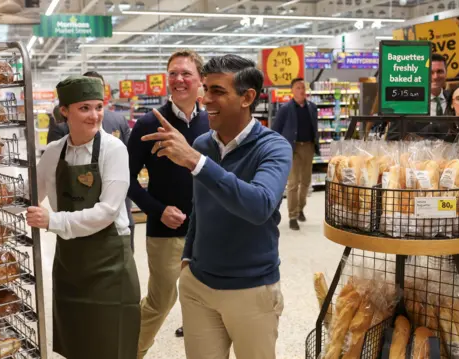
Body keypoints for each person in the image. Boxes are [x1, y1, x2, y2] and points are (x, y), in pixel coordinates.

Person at [142, 54, 292, 359]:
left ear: (247, 97)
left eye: (218, 92)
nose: (206, 99)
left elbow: (259, 205)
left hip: (251, 289)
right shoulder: (203, 145)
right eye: (206, 89)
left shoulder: (273, 147)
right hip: (199, 286)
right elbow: (200, 208)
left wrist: (198, 164)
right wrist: (187, 261)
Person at [27, 76, 140, 359]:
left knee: (111, 341)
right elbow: (31, 194)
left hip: (109, 264)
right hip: (71, 263)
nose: (95, 115)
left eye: (98, 107)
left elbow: (107, 211)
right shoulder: (54, 153)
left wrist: (53, 221)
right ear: (64, 111)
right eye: (85, 108)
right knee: (77, 341)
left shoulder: (115, 150)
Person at [128, 50, 209, 358]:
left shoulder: (212, 122)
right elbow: (127, 178)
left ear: (200, 80)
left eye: (186, 73)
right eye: (173, 73)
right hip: (165, 232)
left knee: (204, 301)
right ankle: (130, 350)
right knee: (160, 301)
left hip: (207, 232)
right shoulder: (149, 123)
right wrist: (158, 210)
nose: (179, 79)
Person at [83, 70, 136, 247]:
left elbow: (131, 159)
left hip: (119, 203)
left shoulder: (118, 120)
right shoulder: (72, 125)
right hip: (86, 206)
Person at [272, 77, 319, 231]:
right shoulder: (285, 109)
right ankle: (292, 216)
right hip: (293, 148)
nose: (302, 90)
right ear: (292, 91)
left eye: (303, 87)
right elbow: (276, 130)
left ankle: (300, 209)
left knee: (306, 182)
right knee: (293, 183)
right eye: (298, 87)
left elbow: (315, 128)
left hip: (309, 147)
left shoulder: (312, 107)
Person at [386, 53, 450, 140]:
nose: (435, 77)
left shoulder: (454, 99)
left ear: (446, 73)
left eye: (440, 71)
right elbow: (392, 140)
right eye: (430, 72)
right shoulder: (407, 104)